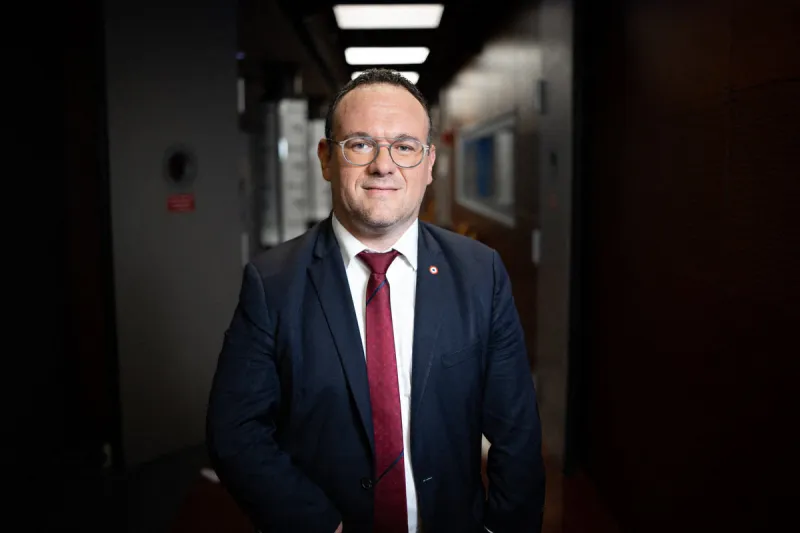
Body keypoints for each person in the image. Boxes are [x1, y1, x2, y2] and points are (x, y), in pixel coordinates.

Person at [206, 68, 545, 533]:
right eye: (361, 144)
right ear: (326, 159)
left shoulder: (479, 273)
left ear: (429, 163)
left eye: (404, 147)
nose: (383, 166)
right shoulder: (272, 283)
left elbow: (516, 431)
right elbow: (236, 432)